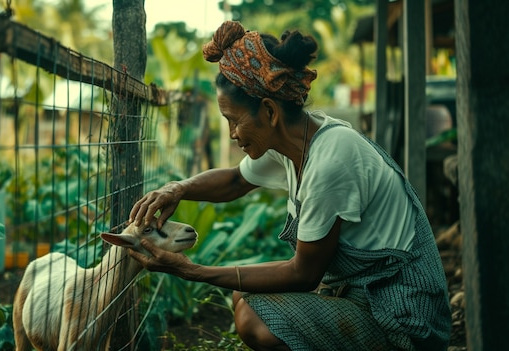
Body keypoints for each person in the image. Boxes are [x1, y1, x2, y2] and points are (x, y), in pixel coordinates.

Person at [128, 21, 451, 351]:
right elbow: (235, 180)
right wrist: (177, 188)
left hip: (403, 320)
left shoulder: (330, 162)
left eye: (233, 119)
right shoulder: (296, 142)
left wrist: (192, 270)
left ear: (269, 111)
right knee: (245, 292)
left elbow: (303, 274)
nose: (232, 134)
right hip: (365, 297)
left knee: (254, 316)